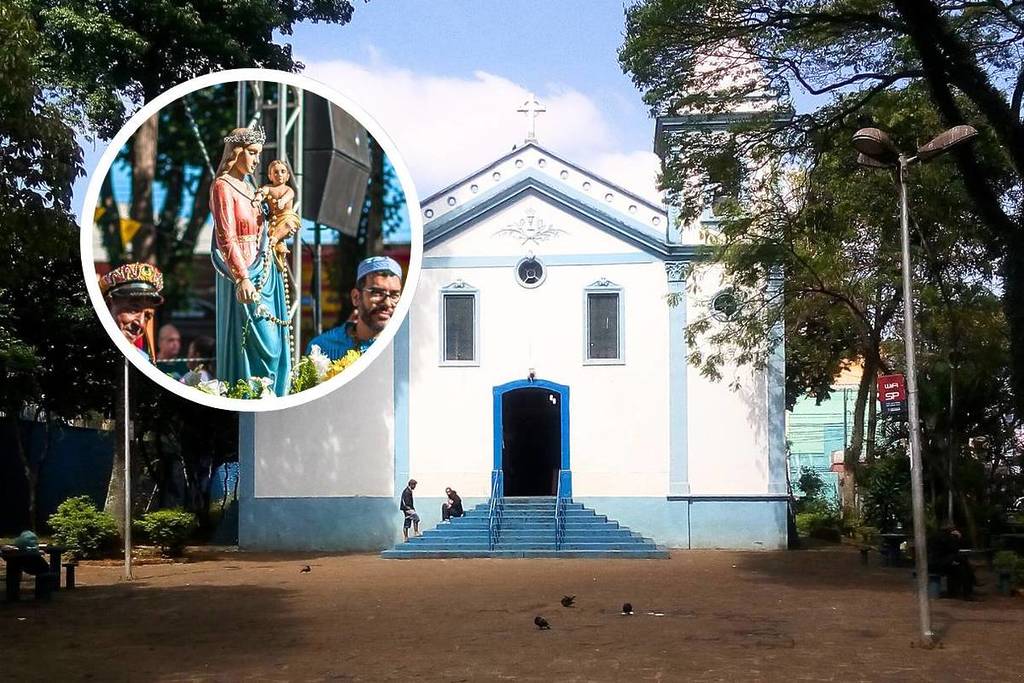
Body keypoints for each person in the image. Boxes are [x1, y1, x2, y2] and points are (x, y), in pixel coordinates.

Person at [210, 125, 292, 396]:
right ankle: (247, 397)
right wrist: (242, 277)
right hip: (243, 273)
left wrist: (280, 229)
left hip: (266, 270)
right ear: (237, 152)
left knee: (275, 346)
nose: (258, 160)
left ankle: (273, 396)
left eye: (259, 154)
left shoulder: (250, 187)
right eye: (253, 153)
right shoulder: (222, 186)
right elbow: (226, 236)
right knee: (255, 346)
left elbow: (265, 228)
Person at [306, 256, 404, 361]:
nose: (387, 303)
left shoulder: (405, 347)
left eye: (394, 295)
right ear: (356, 297)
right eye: (377, 293)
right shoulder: (321, 349)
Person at [99, 262, 165, 362]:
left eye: (147, 316)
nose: (141, 324)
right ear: (108, 305)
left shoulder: (143, 360)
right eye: (134, 310)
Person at [255, 159, 301, 272]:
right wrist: (258, 197)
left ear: (288, 176)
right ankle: (278, 245)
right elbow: (262, 192)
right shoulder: (268, 188)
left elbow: (288, 196)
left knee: (289, 225)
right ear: (270, 176)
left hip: (287, 217)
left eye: (282, 171)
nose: (279, 174)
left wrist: (282, 201)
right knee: (270, 230)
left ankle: (275, 240)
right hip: (274, 220)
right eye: (275, 172)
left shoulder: (289, 189)